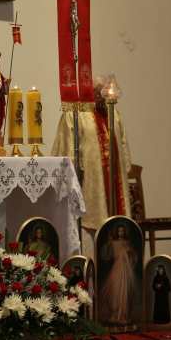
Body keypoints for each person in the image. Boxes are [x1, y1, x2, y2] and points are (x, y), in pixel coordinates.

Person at [51, 75, 132, 234]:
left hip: (115, 181)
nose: (102, 96)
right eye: (97, 91)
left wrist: (123, 167)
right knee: (91, 227)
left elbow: (123, 145)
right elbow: (67, 149)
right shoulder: (76, 115)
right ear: (89, 92)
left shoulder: (113, 114)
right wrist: (74, 175)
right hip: (89, 183)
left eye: (103, 92)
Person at [99, 225, 138, 325]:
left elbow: (133, 256)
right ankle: (115, 314)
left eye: (122, 231)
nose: (121, 233)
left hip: (125, 269)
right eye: (119, 231)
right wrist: (108, 243)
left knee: (124, 291)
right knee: (115, 290)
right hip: (117, 268)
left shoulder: (127, 243)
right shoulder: (113, 243)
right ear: (117, 232)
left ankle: (123, 314)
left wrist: (129, 254)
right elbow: (106, 255)